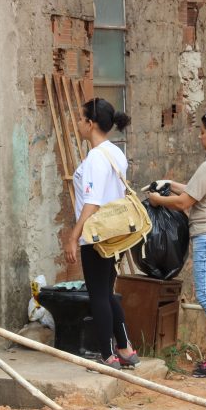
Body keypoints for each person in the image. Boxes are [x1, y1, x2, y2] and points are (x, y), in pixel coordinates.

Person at [146, 111, 206, 378]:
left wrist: (157, 200)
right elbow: (195, 189)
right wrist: (170, 184)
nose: (200, 137)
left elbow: (184, 202)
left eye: (203, 132)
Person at [64, 98, 140, 370]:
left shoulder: (96, 157)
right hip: (115, 233)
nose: (78, 123)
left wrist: (74, 236)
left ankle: (108, 355)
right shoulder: (115, 152)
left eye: (80, 118)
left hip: (96, 235)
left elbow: (92, 203)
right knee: (106, 293)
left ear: (91, 123)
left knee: (98, 295)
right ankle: (125, 348)